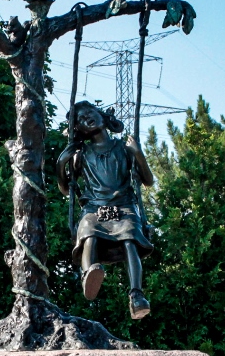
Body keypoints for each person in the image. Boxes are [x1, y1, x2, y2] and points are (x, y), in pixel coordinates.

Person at [56, 101, 154, 319]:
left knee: (129, 238)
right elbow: (65, 189)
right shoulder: (80, 153)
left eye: (89, 113)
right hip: (94, 208)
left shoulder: (123, 147)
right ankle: (88, 275)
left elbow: (148, 180)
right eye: (80, 120)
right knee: (89, 232)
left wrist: (137, 154)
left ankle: (136, 295)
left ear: (101, 115)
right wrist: (61, 163)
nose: (86, 119)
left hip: (124, 207)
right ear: (78, 130)